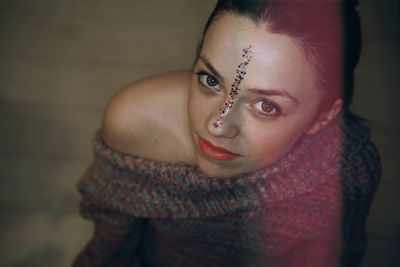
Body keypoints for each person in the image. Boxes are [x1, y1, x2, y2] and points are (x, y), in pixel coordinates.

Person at [72, 0, 380, 266]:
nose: (216, 125)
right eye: (209, 80)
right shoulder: (136, 124)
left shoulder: (347, 167)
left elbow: (338, 254)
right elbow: (110, 244)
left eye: (266, 106)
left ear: (323, 117)